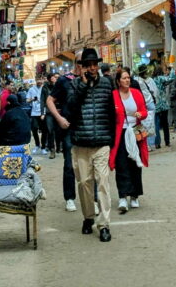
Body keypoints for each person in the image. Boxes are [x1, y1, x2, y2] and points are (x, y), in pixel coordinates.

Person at [66, 48, 115, 243]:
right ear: (82, 67)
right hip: (80, 144)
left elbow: (112, 112)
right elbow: (70, 110)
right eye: (88, 65)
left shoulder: (107, 84)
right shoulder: (75, 85)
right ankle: (88, 217)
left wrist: (111, 138)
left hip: (102, 143)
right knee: (84, 183)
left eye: (95, 64)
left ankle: (104, 224)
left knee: (102, 182)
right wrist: (83, 87)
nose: (93, 68)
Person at [110, 68, 148, 213]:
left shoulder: (136, 93)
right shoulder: (113, 95)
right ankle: (122, 196)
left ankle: (135, 195)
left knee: (135, 164)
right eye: (124, 78)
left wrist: (141, 114)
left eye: (128, 78)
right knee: (121, 165)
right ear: (118, 81)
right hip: (120, 134)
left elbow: (144, 111)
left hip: (135, 132)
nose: (127, 80)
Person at [46, 59, 82, 211]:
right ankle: (69, 197)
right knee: (69, 163)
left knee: (90, 164)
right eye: (82, 62)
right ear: (76, 63)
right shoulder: (64, 80)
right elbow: (49, 100)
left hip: (87, 128)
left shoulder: (93, 79)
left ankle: (93, 198)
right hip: (69, 127)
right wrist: (59, 118)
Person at [41, 72, 61, 158]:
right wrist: (42, 113)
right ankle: (52, 150)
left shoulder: (59, 86)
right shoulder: (45, 88)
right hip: (49, 112)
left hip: (58, 111)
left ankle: (58, 147)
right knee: (50, 131)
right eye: (52, 77)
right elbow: (42, 100)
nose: (54, 79)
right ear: (49, 79)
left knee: (58, 131)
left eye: (55, 77)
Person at [137, 64, 158, 149]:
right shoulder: (150, 80)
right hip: (150, 103)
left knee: (144, 124)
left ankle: (146, 145)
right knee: (151, 124)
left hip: (142, 105)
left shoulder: (137, 81)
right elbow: (155, 91)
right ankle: (152, 143)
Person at [153, 64, 174, 148]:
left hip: (156, 103)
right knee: (165, 124)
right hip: (164, 103)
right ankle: (167, 141)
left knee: (156, 124)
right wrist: (171, 70)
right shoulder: (161, 78)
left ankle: (157, 143)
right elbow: (171, 79)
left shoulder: (152, 80)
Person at [27, 78, 45, 152]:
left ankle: (43, 147)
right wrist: (32, 99)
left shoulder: (44, 89)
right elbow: (27, 100)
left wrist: (44, 113)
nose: (39, 82)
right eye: (38, 80)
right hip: (34, 112)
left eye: (41, 80)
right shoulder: (31, 89)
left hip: (43, 112)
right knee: (34, 129)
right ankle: (37, 145)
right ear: (36, 81)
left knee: (44, 130)